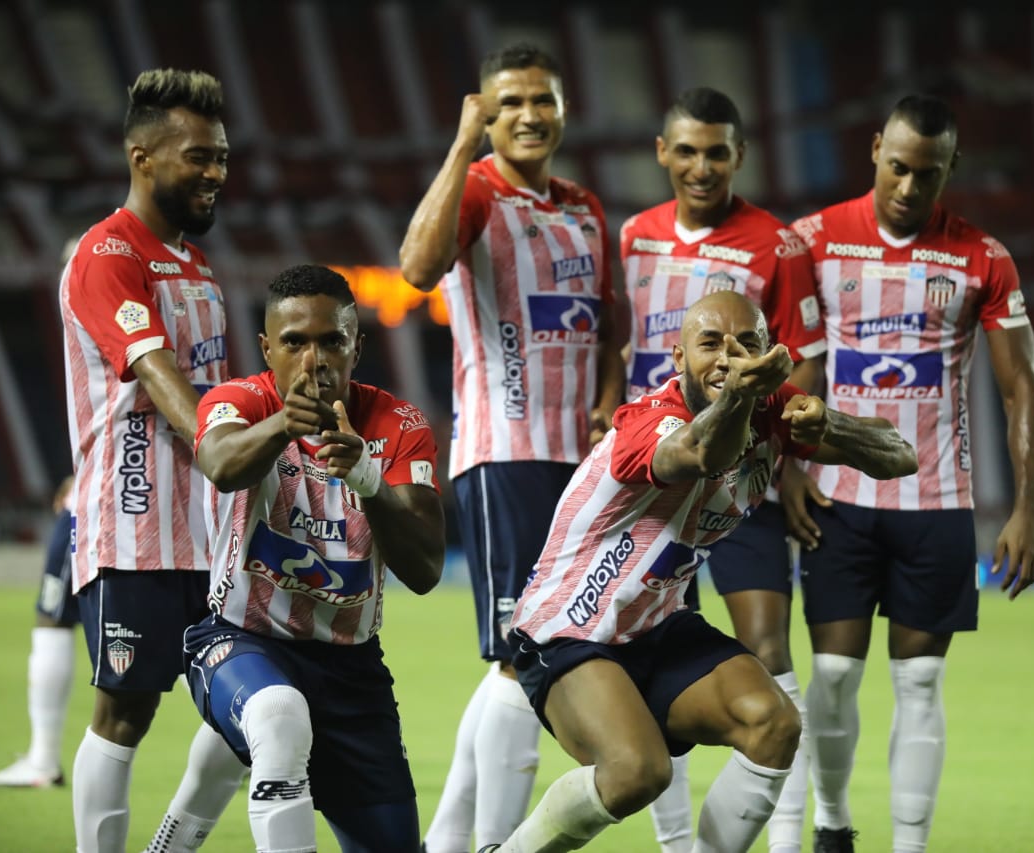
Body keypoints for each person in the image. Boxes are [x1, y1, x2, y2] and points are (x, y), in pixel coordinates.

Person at [481, 290, 915, 853]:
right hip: (569, 630)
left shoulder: (771, 409)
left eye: (747, 344)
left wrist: (829, 421)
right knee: (638, 772)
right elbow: (703, 453)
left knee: (773, 725)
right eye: (710, 344)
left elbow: (899, 455)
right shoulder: (648, 422)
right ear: (679, 359)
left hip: (657, 627)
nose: (729, 358)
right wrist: (740, 391)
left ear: (767, 351)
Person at [784, 94, 1034, 853]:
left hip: (936, 504)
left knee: (921, 684)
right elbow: (786, 365)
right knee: (832, 675)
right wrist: (789, 468)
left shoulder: (982, 257)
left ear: (949, 170)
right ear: (875, 150)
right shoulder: (813, 240)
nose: (907, 186)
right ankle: (833, 826)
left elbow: (1020, 386)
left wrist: (1029, 504)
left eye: (926, 174)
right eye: (897, 167)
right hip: (837, 499)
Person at [398, 43, 624, 852]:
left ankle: (450, 841)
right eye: (510, 103)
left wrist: (606, 397)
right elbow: (417, 268)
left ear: (563, 111)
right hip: (507, 451)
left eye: (543, 100)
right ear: (486, 113)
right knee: (524, 660)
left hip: (580, 464)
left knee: (517, 659)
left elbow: (608, 316)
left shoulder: (585, 207)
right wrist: (461, 148)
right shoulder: (478, 191)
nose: (530, 115)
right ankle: (495, 840)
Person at [620, 87, 827, 853]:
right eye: (688, 150)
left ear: (739, 156)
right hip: (656, 481)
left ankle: (785, 839)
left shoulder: (778, 243)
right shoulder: (636, 237)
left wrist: (794, 464)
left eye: (717, 152)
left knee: (768, 653)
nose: (702, 166)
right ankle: (680, 846)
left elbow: (802, 367)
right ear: (663, 153)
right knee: (644, 649)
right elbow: (629, 346)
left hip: (743, 476)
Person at [184, 264, 446, 852]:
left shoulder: (399, 427)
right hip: (241, 642)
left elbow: (426, 570)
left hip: (352, 671)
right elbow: (222, 466)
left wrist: (367, 477)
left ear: (359, 345)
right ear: (266, 348)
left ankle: (172, 837)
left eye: (332, 340)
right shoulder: (239, 401)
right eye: (295, 342)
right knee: (278, 716)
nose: (315, 359)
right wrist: (284, 424)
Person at [59, 68, 247, 853]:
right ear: (142, 158)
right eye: (197, 157)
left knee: (255, 706)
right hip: (134, 525)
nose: (214, 173)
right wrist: (227, 444)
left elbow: (222, 391)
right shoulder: (108, 254)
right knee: (125, 714)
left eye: (222, 157)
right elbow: (165, 383)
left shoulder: (194, 263)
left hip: (210, 530)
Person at [0, 477, 78, 788]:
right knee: (177, 633)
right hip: (152, 519)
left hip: (88, 508)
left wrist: (76, 483)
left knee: (52, 620)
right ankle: (233, 738)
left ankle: (43, 760)